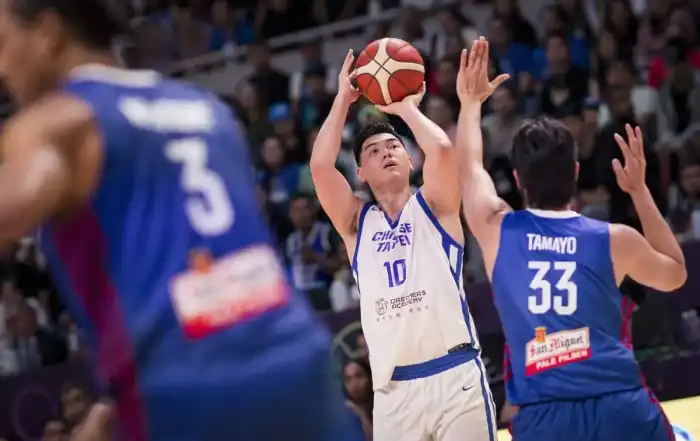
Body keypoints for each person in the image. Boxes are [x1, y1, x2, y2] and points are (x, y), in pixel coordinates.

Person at [0, 1, 364, 441]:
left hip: (183, 384)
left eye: (2, 44)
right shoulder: (205, 108)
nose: (1, 68)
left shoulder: (61, 120)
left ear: (48, 32)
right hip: (296, 359)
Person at [454, 38, 687, 441]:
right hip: (619, 407)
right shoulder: (615, 239)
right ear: (576, 172)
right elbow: (676, 274)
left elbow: (469, 167)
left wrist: (470, 103)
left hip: (545, 418)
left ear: (517, 179)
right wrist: (639, 191)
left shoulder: (496, 230)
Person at [310, 49, 497, 441]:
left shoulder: (436, 205)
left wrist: (404, 108)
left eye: (393, 146)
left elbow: (442, 150)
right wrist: (343, 99)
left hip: (455, 378)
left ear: (411, 160)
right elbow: (321, 167)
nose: (386, 152)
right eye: (374, 151)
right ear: (361, 173)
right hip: (393, 394)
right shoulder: (356, 224)